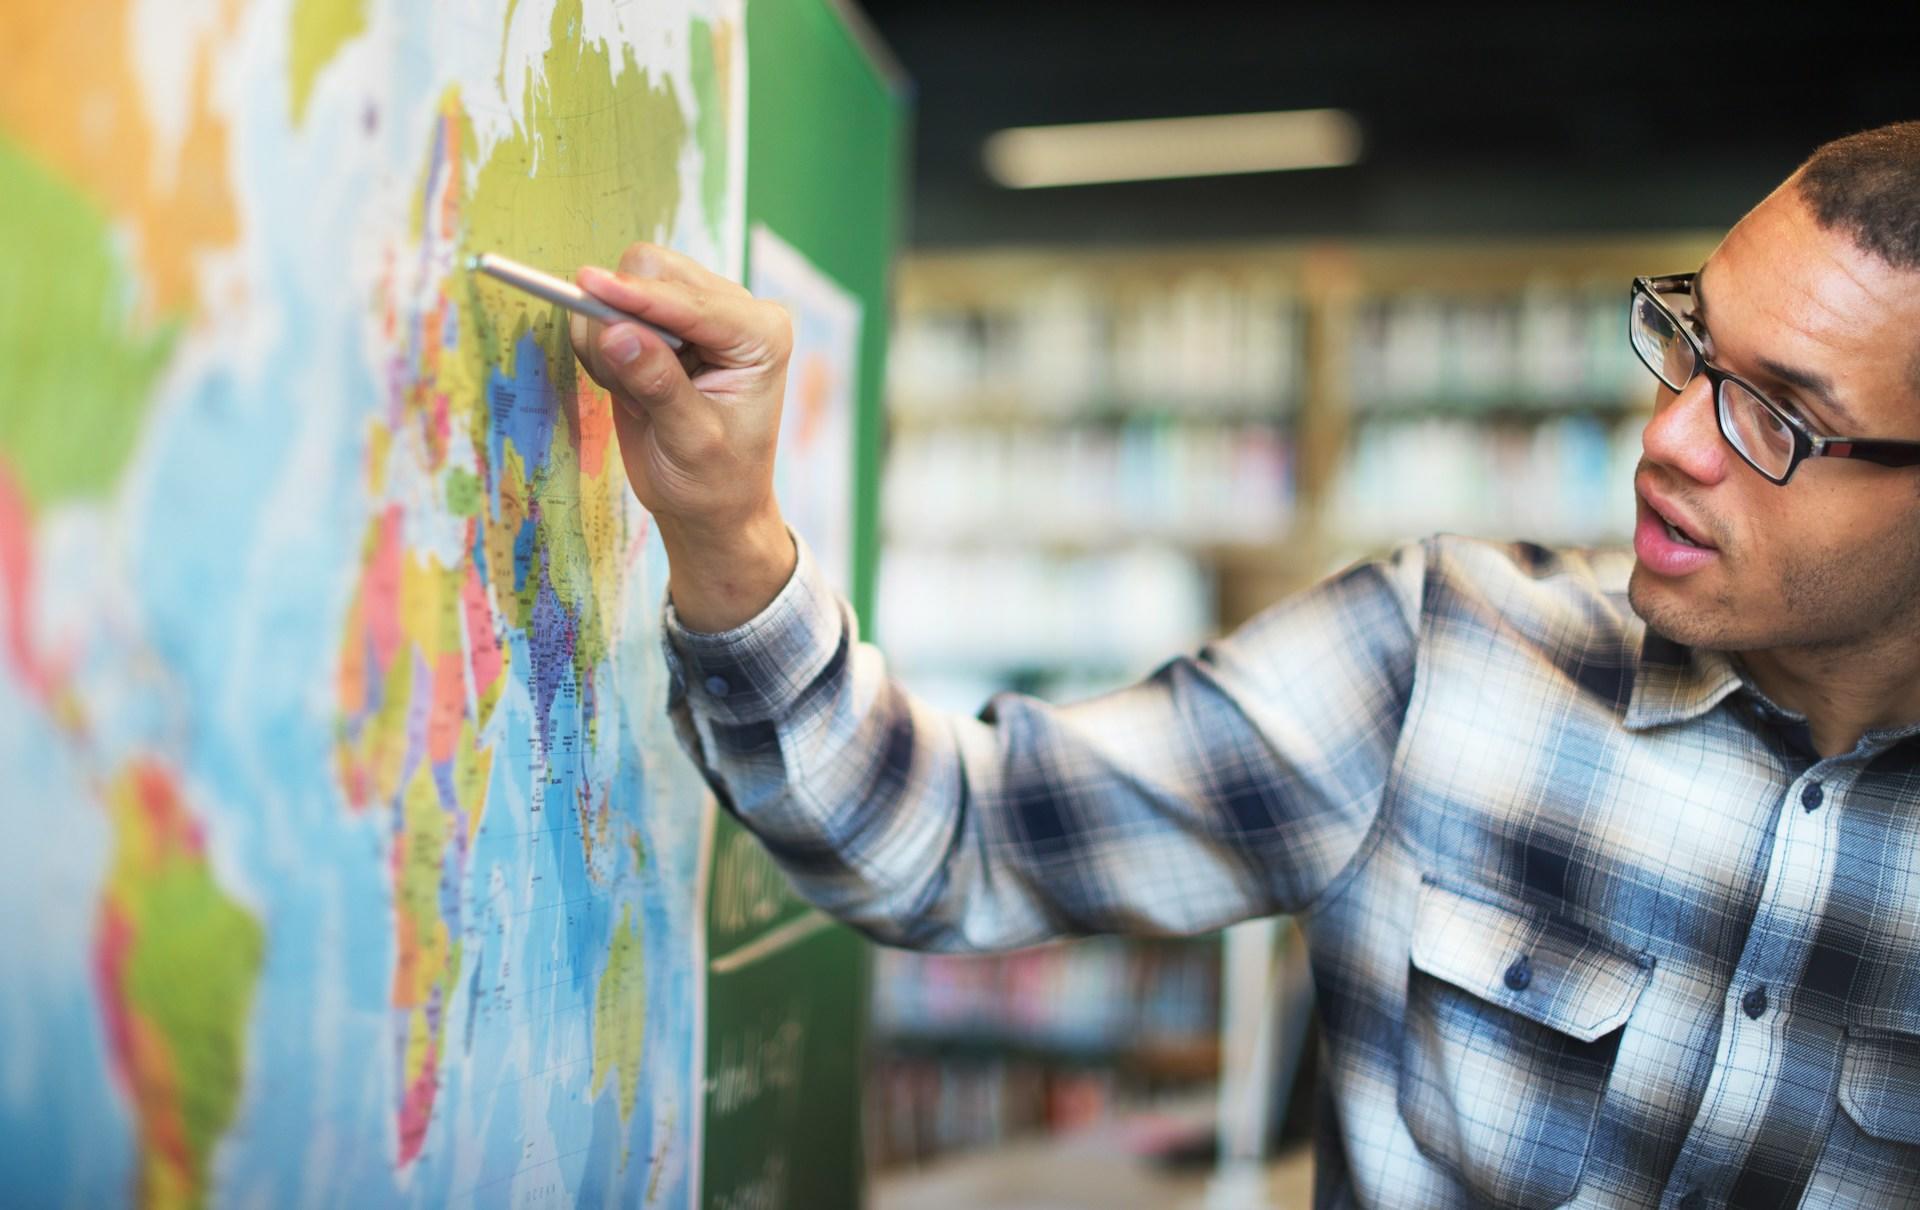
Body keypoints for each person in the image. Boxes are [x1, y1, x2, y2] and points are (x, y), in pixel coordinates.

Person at [568, 122, 1920, 1208]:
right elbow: (952, 833)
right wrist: (728, 530)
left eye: (1780, 417)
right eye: (1690, 345)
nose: (1674, 437)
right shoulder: (1448, 653)